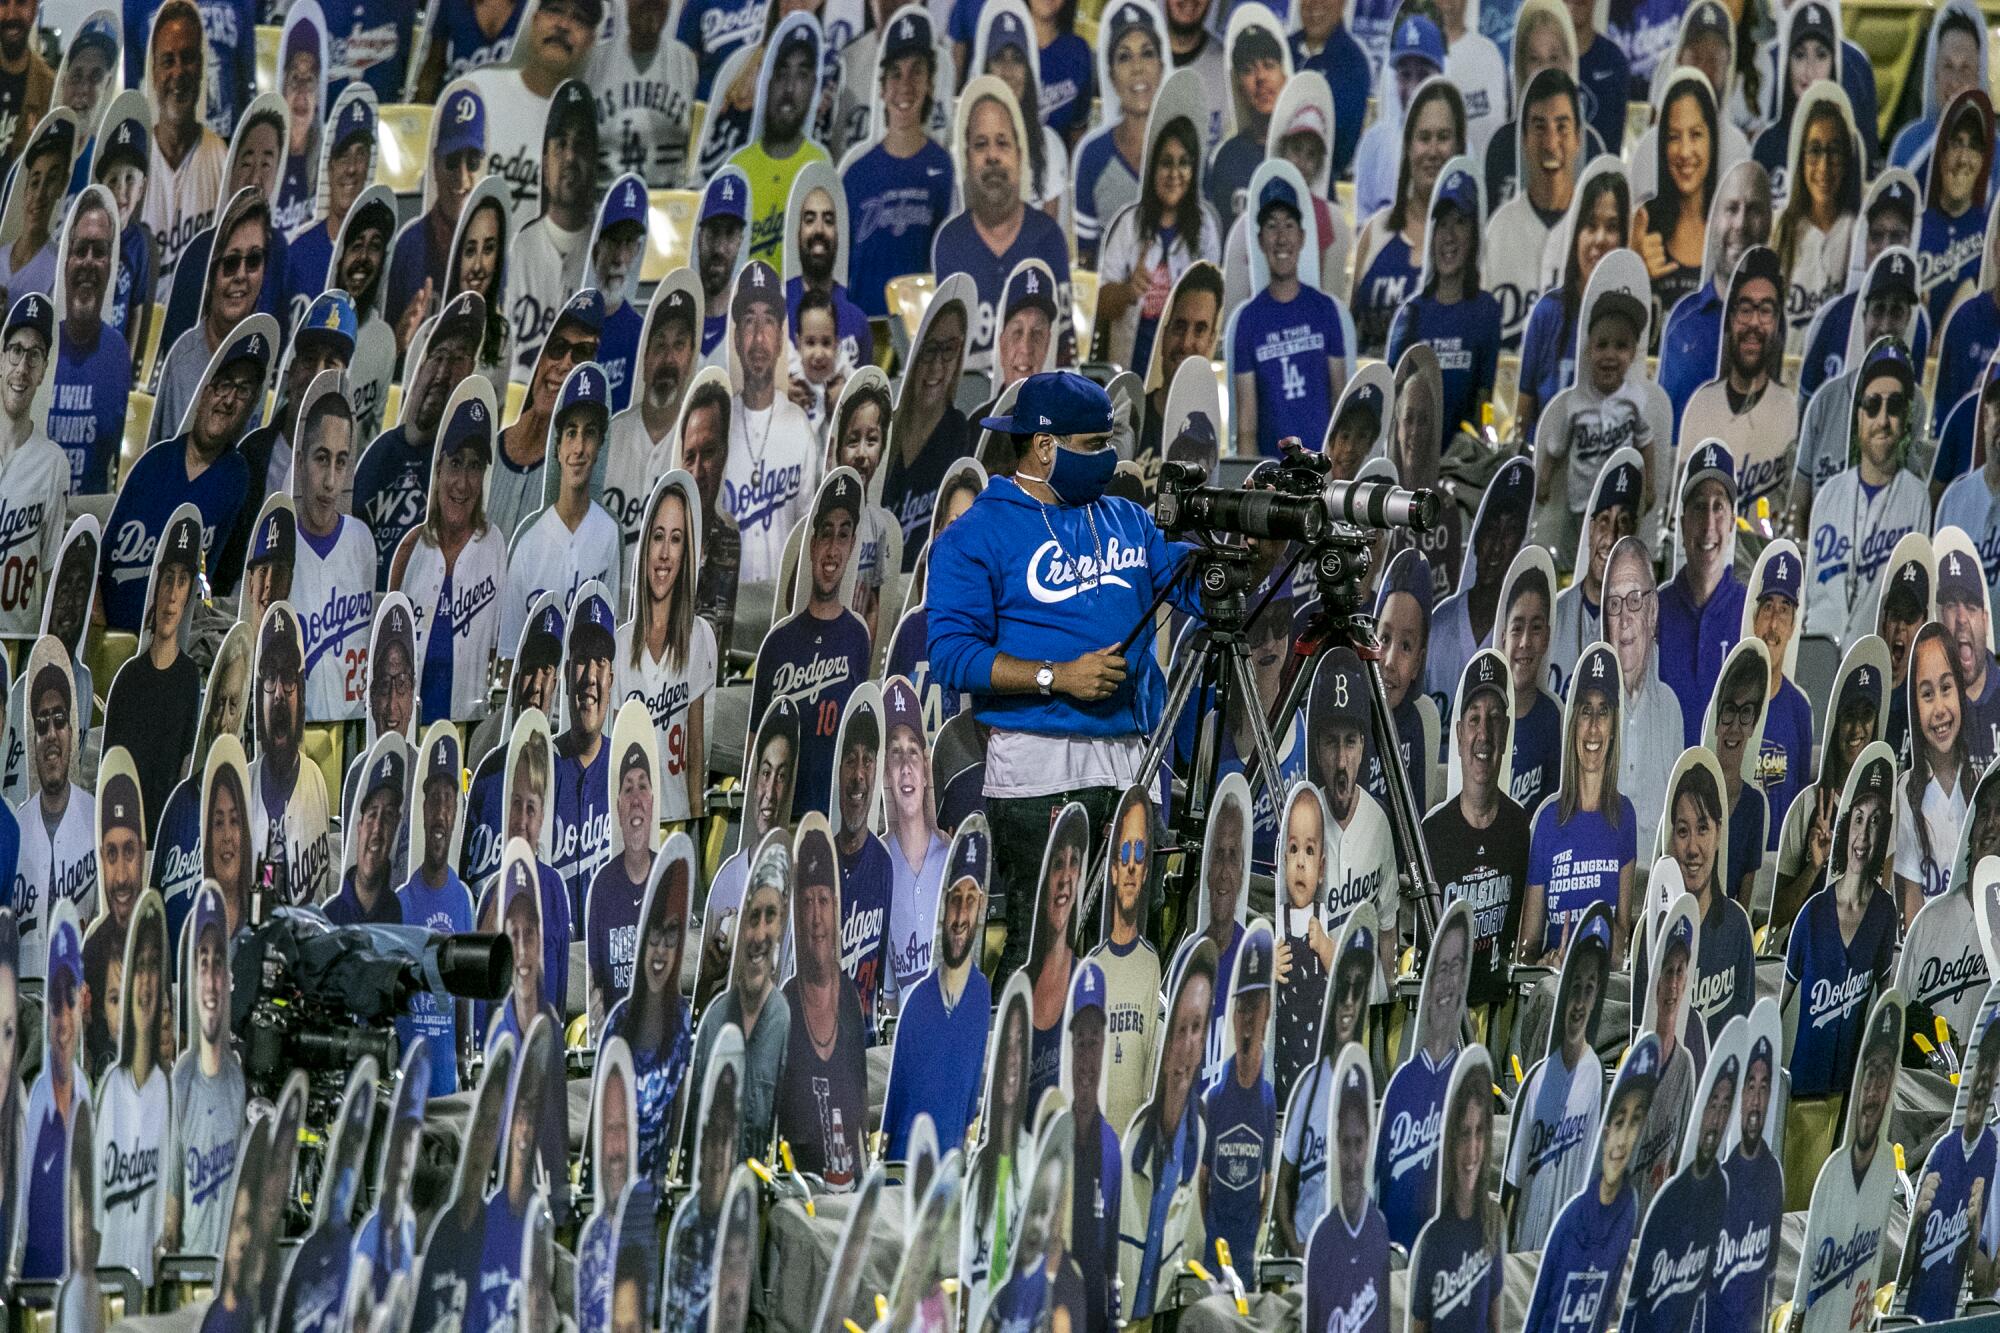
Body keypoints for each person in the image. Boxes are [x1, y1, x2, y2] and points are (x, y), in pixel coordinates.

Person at [929, 372, 1195, 981]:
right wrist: (1057, 676)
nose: (1109, 457)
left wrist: (1238, 552)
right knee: (1039, 957)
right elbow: (951, 655)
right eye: (1094, 443)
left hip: (1133, 767)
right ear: (1045, 447)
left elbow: (1192, 590)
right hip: (1037, 772)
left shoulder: (1128, 520)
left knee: (1133, 954)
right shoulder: (974, 535)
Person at [748, 472, 871, 820]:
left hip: (830, 817)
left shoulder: (857, 636)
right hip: (777, 815)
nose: (833, 549)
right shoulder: (779, 642)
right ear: (813, 544)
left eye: (843, 535)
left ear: (852, 546)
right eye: (827, 534)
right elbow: (755, 746)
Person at [931, 82, 1073, 367]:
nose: (992, 155)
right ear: (967, 159)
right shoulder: (950, 242)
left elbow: (1064, 357)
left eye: (1002, 142)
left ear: (1020, 156)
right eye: (981, 144)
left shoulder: (1048, 237)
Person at [1803, 340, 1931, 648]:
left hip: (1878, 662)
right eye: (1873, 405)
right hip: (1821, 658)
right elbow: (1809, 596)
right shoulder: (1829, 494)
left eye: (1895, 406)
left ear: (1906, 420)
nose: (1883, 420)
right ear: (1858, 415)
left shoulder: (1917, 498)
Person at [390, 391, 507, 727]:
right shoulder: (410, 548)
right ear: (438, 468)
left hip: (468, 728)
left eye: (474, 467)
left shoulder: (495, 546)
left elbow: (498, 651)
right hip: (410, 729)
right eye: (455, 462)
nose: (462, 482)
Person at [1783, 754, 1898, 1096]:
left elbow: (1882, 1008)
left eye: (1875, 821)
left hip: (1852, 1093)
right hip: (1803, 1095)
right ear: (1847, 827)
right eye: (1859, 819)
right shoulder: (1813, 912)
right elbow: (1780, 1004)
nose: (1863, 835)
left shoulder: (1884, 913)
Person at [1794, 251, 1929, 528]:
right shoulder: (1825, 400)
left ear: (1907, 320)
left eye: (1897, 312)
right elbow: (1798, 504)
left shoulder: (1915, 402)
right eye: (1879, 310)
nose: (1885, 325)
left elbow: (1912, 507)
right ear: (1864, 316)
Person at [1523, 643, 1636, 966]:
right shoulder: (1547, 820)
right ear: (1573, 722)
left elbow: (1623, 933)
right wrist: (1542, 964)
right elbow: (1526, 949)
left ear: (1614, 727)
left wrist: (1612, 944)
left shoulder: (1624, 816)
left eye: (1604, 711)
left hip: (1602, 985)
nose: (1594, 726)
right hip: (1555, 991)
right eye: (1586, 710)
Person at [882, 825, 991, 1157]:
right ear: (944, 905)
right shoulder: (919, 1002)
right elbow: (895, 1108)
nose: (960, 916)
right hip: (905, 1172)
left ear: (981, 906)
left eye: (970, 901)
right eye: (956, 899)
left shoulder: (980, 995)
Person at [501, 362, 622, 656]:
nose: (579, 448)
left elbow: (609, 646)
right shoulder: (528, 544)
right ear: (557, 448)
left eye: (589, 433)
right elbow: (507, 653)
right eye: (571, 433)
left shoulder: (608, 534)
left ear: (599, 445)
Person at [842, 11, 954, 325]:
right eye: (895, 73)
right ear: (881, 88)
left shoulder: (944, 168)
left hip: (919, 333)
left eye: (916, 71)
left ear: (931, 83)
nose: (905, 85)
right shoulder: (855, 172)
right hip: (863, 332)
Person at [1120, 941, 1212, 1319]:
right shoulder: (1131, 1145)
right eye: (1179, 1029)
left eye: (1197, 1029)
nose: (1186, 1046)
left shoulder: (1202, 1144)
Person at [616, 475, 715, 824]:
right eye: (658, 537)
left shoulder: (697, 636)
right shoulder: (619, 645)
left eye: (676, 540)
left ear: (686, 552)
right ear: (644, 545)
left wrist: (695, 827)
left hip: (676, 823)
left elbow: (696, 755)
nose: (664, 554)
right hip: (629, 832)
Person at [148, 190, 276, 453]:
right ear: (212, 273)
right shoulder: (181, 358)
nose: (241, 275)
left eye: (253, 261)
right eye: (230, 263)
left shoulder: (268, 364)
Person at [776, 828, 868, 1188]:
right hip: (803, 1201)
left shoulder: (849, 998)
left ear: (836, 907)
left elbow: (860, 1105)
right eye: (807, 902)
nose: (816, 918)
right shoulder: (784, 1007)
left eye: (824, 901)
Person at [1534, 288, 1656, 559]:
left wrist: (1649, 486)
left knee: (1615, 559)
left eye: (1621, 346)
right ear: (1589, 350)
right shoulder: (1576, 401)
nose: (1610, 355)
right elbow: (1556, 448)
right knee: (1578, 557)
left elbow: (1646, 442)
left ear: (1634, 352)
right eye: (1602, 345)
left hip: (1621, 501)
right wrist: (1543, 480)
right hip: (1581, 503)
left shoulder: (1636, 399)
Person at [1232, 174, 1349, 457]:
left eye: (1289, 225)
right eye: (1272, 226)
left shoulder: (1325, 310)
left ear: (1302, 236)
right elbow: (1246, 428)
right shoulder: (1248, 320)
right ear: (1260, 240)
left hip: (1322, 472)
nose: (1281, 237)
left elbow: (1340, 407)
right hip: (1274, 483)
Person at [692, 837, 792, 1161]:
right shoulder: (714, 1020)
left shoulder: (786, 1022)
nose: (761, 934)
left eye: (771, 917)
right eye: (753, 917)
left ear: (781, 928)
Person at [102, 514, 202, 837]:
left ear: (188, 596)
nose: (173, 594)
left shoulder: (190, 678)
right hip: (125, 833)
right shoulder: (128, 678)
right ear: (156, 585)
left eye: (183, 580)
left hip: (167, 837)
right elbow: (112, 770)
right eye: (168, 579)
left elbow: (186, 768)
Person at [1376, 907, 1470, 1248]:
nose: (1447, 981)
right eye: (1440, 969)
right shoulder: (1401, 1083)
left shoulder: (1467, 1083)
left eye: (1455, 969)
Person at [1386, 162, 1500, 441]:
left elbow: (1485, 403)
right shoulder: (1411, 314)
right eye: (1443, 224)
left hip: (1458, 467)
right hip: (1410, 460)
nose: (1449, 235)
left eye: (1460, 222)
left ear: (1473, 235)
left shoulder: (1486, 311)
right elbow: (1391, 404)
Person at [1659, 160, 1773, 439]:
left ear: (1769, 223)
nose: (1741, 223)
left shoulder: (1778, 327)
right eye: (1732, 208)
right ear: (1713, 222)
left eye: (1754, 210)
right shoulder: (1681, 320)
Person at [1353, 69, 1463, 358]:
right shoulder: (1376, 231)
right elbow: (1349, 333)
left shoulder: (1475, 242)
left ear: (1459, 147)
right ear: (1408, 147)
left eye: (1444, 137)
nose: (1434, 150)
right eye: (1424, 137)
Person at [1516, 160, 1630, 438]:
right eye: (1590, 225)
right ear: (1576, 233)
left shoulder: (1633, 319)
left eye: (1612, 227)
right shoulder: (1548, 313)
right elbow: (1521, 420)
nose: (1600, 239)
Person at [1097, 115, 1218, 376]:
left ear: (1194, 170)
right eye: (1166, 163)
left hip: (1182, 376)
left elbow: (1213, 308)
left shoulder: (1205, 228)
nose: (1175, 174)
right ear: (1152, 169)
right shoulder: (1129, 223)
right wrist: (1129, 291)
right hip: (1129, 375)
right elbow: (1101, 304)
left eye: (1184, 163)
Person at [161, 887, 244, 1260]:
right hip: (191, 1280)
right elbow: (172, 1200)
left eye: (217, 963)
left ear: (228, 978)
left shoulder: (243, 1078)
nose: (210, 979)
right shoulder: (181, 1080)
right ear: (193, 980)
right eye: (202, 962)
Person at [721, 261, 815, 585]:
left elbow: (807, 531)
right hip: (728, 611)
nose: (759, 337)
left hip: (782, 610)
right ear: (736, 339)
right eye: (749, 322)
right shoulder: (717, 425)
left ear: (779, 340)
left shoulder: (799, 426)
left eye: (769, 322)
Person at [1902, 1011, 1998, 1320]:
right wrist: (1917, 1224)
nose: (1985, 1079)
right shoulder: (1947, 1152)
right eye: (1984, 1065)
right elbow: (1982, 1285)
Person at [93, 894, 167, 1285]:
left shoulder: (166, 1090)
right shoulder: (104, 1090)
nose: (144, 984)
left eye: (151, 968)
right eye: (113, 997)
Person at [290, 390, 376, 724]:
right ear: (300, 463)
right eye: (321, 458)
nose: (329, 482)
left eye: (340, 462)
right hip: (296, 734)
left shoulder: (362, 541)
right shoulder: (278, 542)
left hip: (353, 726)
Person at [397, 736, 474, 1096]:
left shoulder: (463, 900)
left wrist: (462, 1064)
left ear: (457, 812)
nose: (442, 811)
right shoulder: (400, 903)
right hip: (407, 1087)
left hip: (447, 1084)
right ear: (423, 810)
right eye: (435, 800)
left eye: (450, 800)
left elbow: (463, 999)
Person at [1486, 64, 1582, 345]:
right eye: (1539, 127)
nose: (1551, 143)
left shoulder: (1594, 229)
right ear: (1524, 140)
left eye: (1562, 127)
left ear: (1578, 138)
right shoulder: (1499, 229)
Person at [384, 83, 486, 344]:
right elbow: (386, 352)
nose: (462, 178)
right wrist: (399, 342)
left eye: (472, 162)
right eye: (452, 161)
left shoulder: (493, 249)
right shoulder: (409, 244)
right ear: (435, 165)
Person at [1657, 441, 1744, 739]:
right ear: (1682, 525)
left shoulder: (1751, 614)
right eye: (1698, 507)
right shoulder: (1652, 612)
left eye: (1718, 506)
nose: (1708, 524)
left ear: (1732, 522)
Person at [1409, 1059, 1502, 1333]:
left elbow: (1496, 1324)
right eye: (1464, 1134)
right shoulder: (1432, 1234)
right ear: (1450, 1141)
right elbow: (1419, 1326)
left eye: (1479, 1133)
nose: (1472, 1150)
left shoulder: (1492, 1222)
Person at [249, 605, 333, 907]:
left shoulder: (314, 779)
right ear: (259, 694)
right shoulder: (244, 782)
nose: (280, 694)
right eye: (270, 677)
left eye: (288, 678)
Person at [141, 0, 228, 291]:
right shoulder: (133, 162)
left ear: (201, 66)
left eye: (188, 57)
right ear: (154, 72)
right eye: (168, 60)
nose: (178, 72)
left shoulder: (221, 157)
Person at [14, 659, 91, 978]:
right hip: (23, 1001)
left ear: (72, 732)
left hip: (78, 999)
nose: (51, 734)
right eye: (41, 725)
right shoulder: (15, 829)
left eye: (59, 720)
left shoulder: (95, 817)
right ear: (32, 742)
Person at [728, 22, 830, 265]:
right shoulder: (738, 167)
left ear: (814, 86)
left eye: (802, 75)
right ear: (767, 82)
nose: (790, 88)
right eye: (782, 74)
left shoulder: (820, 165)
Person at [1201, 930, 1274, 1265]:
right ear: (1233, 1015)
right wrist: (1212, 1229)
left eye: (1255, 1006)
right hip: (1215, 1249)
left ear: (1267, 1012)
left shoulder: (1268, 1099)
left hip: (1245, 1252)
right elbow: (1203, 1179)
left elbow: (1267, 1181)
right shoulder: (1214, 1098)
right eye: (1243, 1007)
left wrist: (1252, 1233)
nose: (1248, 1019)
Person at [1895, 623, 1974, 917]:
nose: (1939, 708)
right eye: (1927, 694)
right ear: (1914, 706)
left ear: (1960, 691)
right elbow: (1912, 910)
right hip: (1932, 960)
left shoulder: (1983, 784)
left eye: (1946, 688)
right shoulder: (1906, 794)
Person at [1773, 87, 1863, 346]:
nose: (1823, 166)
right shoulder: (1780, 226)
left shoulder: (1856, 230)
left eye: (1834, 151)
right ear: (1801, 158)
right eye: (1814, 150)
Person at [0, 291, 64, 641]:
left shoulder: (53, 463)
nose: (22, 368)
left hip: (17, 642)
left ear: (42, 372)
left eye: (35, 355)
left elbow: (51, 573)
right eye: (16, 351)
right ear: (1, 358)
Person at [551, 591, 618, 915]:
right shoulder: (542, 765)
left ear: (611, 679)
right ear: (566, 675)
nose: (590, 677)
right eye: (581, 661)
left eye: (600, 662)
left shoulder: (627, 773)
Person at [1634, 71, 1719, 321]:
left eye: (1696, 135)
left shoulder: (1731, 224)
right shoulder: (1643, 223)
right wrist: (1632, 269)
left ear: (1712, 140)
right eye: (1673, 137)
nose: (1684, 151)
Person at [586, 0, 695, 188]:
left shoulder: (685, 60)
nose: (650, 5)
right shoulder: (593, 62)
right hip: (603, 203)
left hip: (668, 206)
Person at [1888, 0, 1987, 175]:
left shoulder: (1997, 156)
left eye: (1965, 68)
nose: (1955, 82)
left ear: (1978, 76)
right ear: (1934, 73)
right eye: (1948, 66)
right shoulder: (1908, 145)